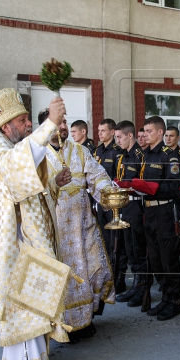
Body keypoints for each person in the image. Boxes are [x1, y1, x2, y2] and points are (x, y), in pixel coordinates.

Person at [0, 88, 71, 360]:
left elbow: (30, 189)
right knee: (27, 312)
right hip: (17, 251)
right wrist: (50, 123)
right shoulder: (0, 157)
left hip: (29, 246)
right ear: (6, 127)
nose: (28, 124)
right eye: (22, 120)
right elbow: (17, 170)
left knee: (34, 309)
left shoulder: (12, 151)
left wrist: (52, 183)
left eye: (28, 119)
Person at [38, 109, 116, 341]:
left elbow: (98, 177)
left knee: (91, 268)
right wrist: (53, 184)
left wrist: (107, 191)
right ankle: (60, 325)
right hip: (53, 230)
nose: (62, 127)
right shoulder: (36, 155)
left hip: (82, 226)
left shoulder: (80, 151)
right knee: (58, 276)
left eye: (64, 123)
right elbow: (30, 191)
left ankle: (85, 320)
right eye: (57, 123)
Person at [132, 116, 180, 321]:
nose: (145, 134)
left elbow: (175, 187)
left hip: (164, 211)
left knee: (168, 258)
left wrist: (151, 189)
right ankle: (165, 296)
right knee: (155, 259)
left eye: (149, 131)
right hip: (149, 211)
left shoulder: (169, 157)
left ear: (160, 133)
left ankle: (175, 299)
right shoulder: (145, 156)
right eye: (144, 131)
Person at [114, 121, 149, 307]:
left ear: (129, 136)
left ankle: (142, 286)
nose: (117, 140)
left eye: (119, 137)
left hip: (137, 206)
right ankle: (136, 284)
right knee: (129, 248)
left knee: (138, 247)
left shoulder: (139, 155)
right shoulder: (124, 157)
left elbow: (142, 183)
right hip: (125, 205)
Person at [94, 118, 127, 293]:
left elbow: (117, 178)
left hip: (114, 203)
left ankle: (119, 276)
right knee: (105, 240)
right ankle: (108, 275)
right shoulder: (98, 151)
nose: (100, 134)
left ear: (112, 132)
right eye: (98, 131)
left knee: (117, 242)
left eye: (103, 131)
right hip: (101, 202)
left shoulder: (117, 151)